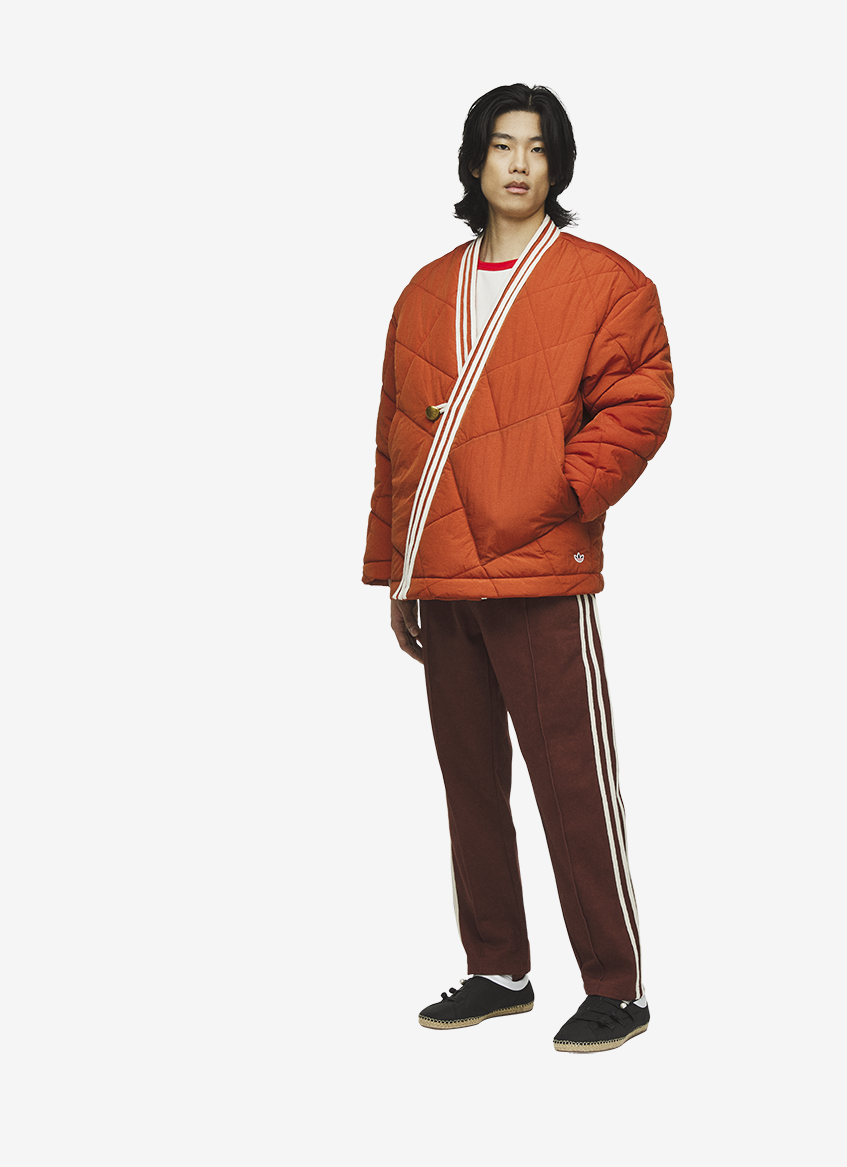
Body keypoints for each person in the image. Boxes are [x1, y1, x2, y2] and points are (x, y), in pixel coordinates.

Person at [362, 83, 673, 1053]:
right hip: (442, 576)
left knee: (573, 783)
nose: (519, 164)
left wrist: (560, 491)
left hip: (539, 571)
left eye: (537, 148)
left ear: (558, 164)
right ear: (475, 161)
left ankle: (616, 986)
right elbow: (394, 440)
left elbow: (640, 403)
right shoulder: (425, 292)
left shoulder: (606, 283)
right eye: (502, 146)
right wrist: (397, 569)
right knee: (470, 783)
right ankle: (497, 969)